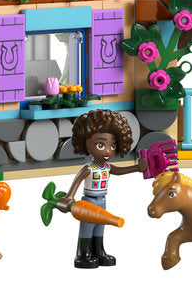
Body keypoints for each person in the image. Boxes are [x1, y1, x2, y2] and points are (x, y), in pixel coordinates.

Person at [60, 109, 147, 268]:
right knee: (87, 228)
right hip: (89, 202)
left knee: (100, 227)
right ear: (85, 143)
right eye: (101, 145)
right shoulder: (89, 168)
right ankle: (83, 254)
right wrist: (69, 197)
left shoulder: (107, 167)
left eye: (112, 145)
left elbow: (119, 171)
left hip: (102, 200)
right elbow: (77, 181)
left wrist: (137, 168)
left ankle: (98, 251)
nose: (108, 151)